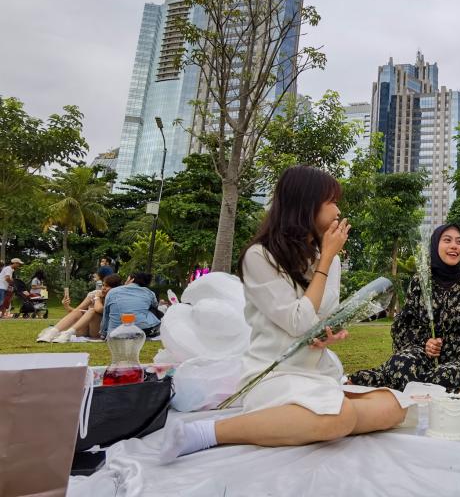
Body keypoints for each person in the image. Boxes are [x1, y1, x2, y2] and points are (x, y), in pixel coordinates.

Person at [159, 165, 406, 462]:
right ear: (306, 205)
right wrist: (327, 258)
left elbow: (317, 319)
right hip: (274, 372)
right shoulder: (259, 256)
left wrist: (327, 334)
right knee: (339, 418)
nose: (338, 210)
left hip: (315, 371)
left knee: (393, 407)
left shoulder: (327, 259)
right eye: (331, 201)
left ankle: (301, 422)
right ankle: (209, 432)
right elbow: (299, 321)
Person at [349, 224, 460, 391]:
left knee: (450, 374)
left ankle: (405, 386)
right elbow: (403, 326)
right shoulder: (420, 282)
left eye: (459, 242)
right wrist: (424, 343)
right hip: (422, 357)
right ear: (435, 245)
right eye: (447, 240)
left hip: (458, 363)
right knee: (402, 362)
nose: (454, 246)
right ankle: (415, 387)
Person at [50, 275, 123, 342]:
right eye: (103, 285)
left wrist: (97, 298)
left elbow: (99, 309)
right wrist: (66, 306)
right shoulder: (95, 293)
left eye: (107, 286)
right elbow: (76, 311)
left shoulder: (116, 298)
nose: (103, 288)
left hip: (100, 331)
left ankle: (67, 333)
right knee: (81, 312)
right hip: (85, 329)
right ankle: (53, 332)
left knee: (92, 310)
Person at [100, 272, 160, 339]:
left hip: (114, 333)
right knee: (152, 309)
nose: (125, 282)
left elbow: (106, 316)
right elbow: (155, 306)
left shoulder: (112, 292)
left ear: (132, 280)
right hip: (140, 332)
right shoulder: (149, 293)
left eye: (126, 279)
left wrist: (103, 333)